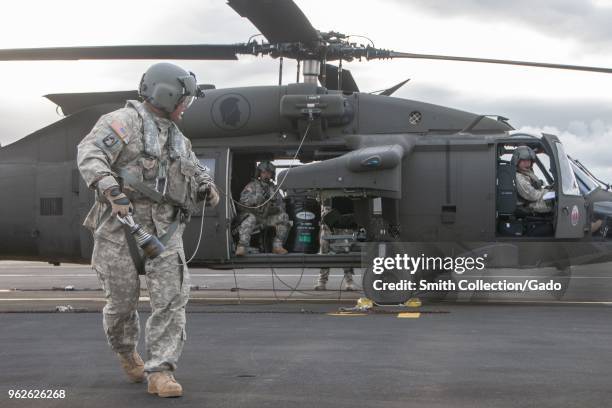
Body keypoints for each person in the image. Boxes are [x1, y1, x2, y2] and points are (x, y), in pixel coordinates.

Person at [77, 62, 219, 398]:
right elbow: (90, 153)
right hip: (120, 229)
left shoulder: (178, 138)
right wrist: (110, 189)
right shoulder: (123, 122)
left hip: (166, 231)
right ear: (166, 94)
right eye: (184, 99)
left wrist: (205, 186)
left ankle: (161, 372)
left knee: (171, 301)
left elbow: (196, 169)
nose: (186, 105)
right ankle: (126, 351)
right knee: (121, 306)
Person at [235, 161, 290, 256]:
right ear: (259, 174)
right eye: (264, 172)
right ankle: (242, 247)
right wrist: (256, 199)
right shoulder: (252, 186)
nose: (266, 175)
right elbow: (241, 203)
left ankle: (277, 246)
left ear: (272, 175)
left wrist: (275, 207)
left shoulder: (274, 188)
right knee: (250, 218)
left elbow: (282, 205)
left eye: (269, 173)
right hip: (252, 216)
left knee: (283, 217)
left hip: (266, 217)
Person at [512, 146, 553, 213]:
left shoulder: (527, 172)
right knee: (554, 202)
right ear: (517, 161)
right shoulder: (518, 177)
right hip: (529, 205)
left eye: (528, 160)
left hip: (533, 201)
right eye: (523, 160)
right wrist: (547, 192)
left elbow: (537, 185)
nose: (527, 163)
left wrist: (548, 189)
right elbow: (532, 195)